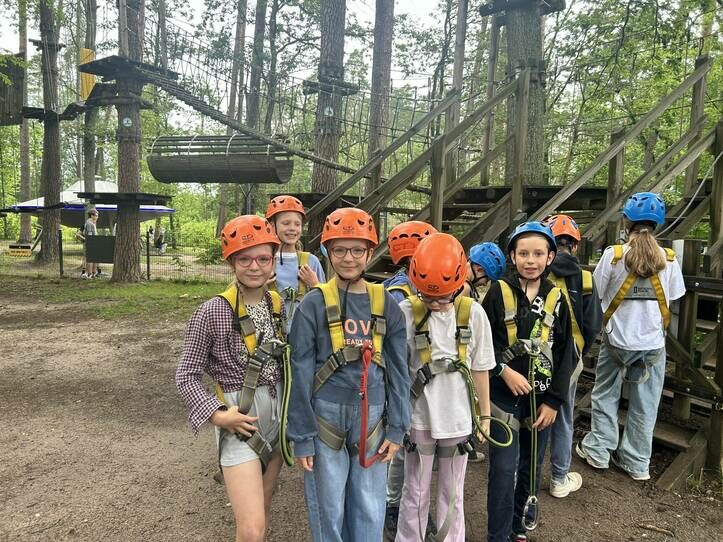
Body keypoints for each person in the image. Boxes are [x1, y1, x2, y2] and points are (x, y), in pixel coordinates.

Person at [287, 207, 410, 542]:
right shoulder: (313, 304)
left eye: (357, 250)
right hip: (325, 415)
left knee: (369, 503)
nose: (348, 258)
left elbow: (400, 370)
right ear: (327, 252)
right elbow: (299, 371)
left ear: (370, 253)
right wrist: (302, 435)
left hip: (373, 417)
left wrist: (397, 427)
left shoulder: (386, 303)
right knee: (329, 505)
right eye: (339, 250)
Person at [176, 215, 289, 542]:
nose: (255, 266)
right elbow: (186, 374)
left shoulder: (277, 304)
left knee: (263, 510)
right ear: (231, 262)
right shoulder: (212, 311)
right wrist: (218, 415)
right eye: (244, 259)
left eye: (263, 258)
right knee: (251, 528)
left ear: (273, 261)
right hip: (240, 422)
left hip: (277, 420)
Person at [577, 192, 685, 482]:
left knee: (605, 394)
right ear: (658, 224)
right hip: (652, 344)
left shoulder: (613, 256)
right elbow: (675, 298)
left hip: (616, 340)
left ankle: (599, 451)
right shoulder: (669, 259)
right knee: (645, 404)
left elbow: (596, 294)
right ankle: (637, 462)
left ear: (626, 222)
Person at [395, 233, 495, 542]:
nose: (436, 304)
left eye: (443, 297)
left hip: (458, 418)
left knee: (453, 492)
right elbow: (397, 371)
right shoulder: (407, 312)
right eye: (427, 297)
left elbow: (480, 368)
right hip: (419, 416)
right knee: (415, 489)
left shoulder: (473, 314)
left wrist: (485, 415)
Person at [481, 222, 576, 542]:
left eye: (538, 254)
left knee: (531, 467)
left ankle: (518, 526)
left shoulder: (557, 298)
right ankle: (497, 535)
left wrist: (554, 402)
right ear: (512, 256)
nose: (530, 260)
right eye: (523, 254)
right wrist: (502, 371)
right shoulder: (498, 293)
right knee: (503, 469)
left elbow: (565, 354)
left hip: (541, 400)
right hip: (503, 398)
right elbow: (482, 343)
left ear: (550, 257)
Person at [381, 220, 437, 539]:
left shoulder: (405, 286)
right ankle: (394, 506)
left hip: (416, 378)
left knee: (411, 450)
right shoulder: (402, 292)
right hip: (408, 380)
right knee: (404, 450)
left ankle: (404, 505)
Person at [542, 214, 602, 498]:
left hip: (538, 354)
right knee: (563, 414)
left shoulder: (539, 273)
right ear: (575, 246)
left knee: (532, 409)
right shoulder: (586, 279)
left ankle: (521, 471)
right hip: (571, 358)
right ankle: (558, 478)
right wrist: (578, 353)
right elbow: (592, 325)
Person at [265, 195, 326, 328]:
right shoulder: (264, 261)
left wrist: (315, 284)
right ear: (272, 226)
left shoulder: (311, 262)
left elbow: (326, 301)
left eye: (297, 224)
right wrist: (262, 287)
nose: (292, 228)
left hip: (305, 331)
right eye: (286, 223)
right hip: (271, 331)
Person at [82, 209, 99, 279]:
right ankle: (89, 274)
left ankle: (93, 273)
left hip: (93, 243)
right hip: (91, 243)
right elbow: (89, 234)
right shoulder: (89, 223)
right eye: (96, 215)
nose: (97, 217)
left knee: (93, 258)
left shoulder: (92, 223)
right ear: (92, 215)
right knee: (90, 259)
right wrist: (91, 242)